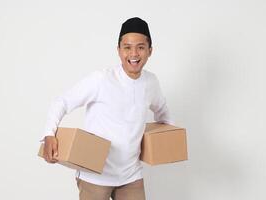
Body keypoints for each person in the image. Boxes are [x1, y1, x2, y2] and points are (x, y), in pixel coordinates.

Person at [42, 17, 172, 200]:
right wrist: (49, 133)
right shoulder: (101, 79)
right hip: (94, 176)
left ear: (150, 51)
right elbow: (62, 101)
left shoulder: (151, 82)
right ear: (118, 50)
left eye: (140, 47)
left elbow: (163, 112)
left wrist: (167, 138)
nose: (133, 53)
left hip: (131, 176)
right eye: (127, 47)